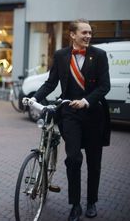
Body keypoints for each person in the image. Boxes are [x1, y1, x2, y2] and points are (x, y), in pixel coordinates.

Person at [32, 19, 110, 221]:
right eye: (84, 32)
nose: (88, 36)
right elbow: (51, 83)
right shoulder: (61, 56)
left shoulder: (99, 56)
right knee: (73, 158)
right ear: (72, 35)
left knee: (94, 161)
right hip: (70, 115)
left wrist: (86, 101)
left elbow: (104, 86)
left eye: (90, 33)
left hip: (93, 114)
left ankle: (91, 201)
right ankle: (75, 204)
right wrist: (34, 98)